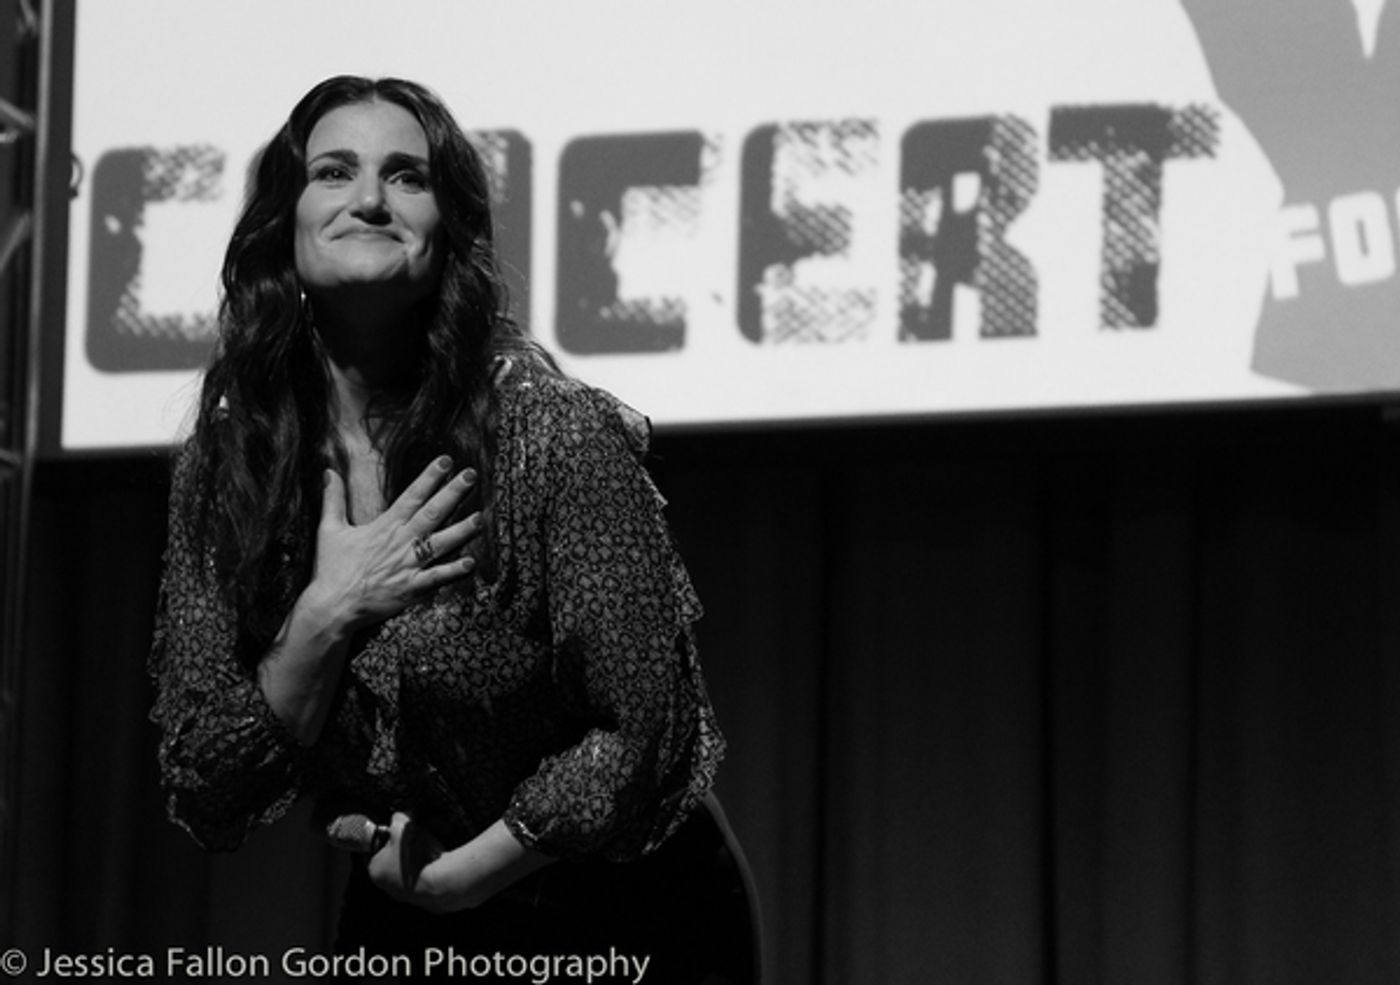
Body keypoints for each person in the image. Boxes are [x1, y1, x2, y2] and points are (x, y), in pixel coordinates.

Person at [147, 75, 757, 983]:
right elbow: (204, 777)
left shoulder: (550, 434)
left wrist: (473, 872)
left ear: (450, 231)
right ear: (285, 220)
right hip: (412, 910)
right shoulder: (230, 464)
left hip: (626, 908)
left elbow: (645, 731)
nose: (368, 199)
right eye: (334, 172)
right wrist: (327, 611)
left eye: (406, 177)